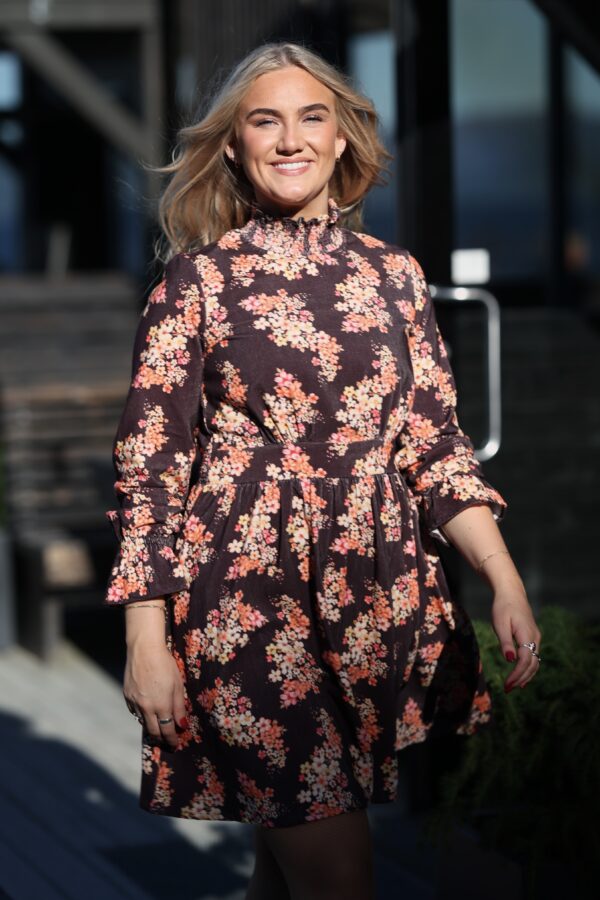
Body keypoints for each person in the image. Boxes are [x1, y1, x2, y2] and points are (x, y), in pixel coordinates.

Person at [103, 41, 542, 900]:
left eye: (312, 117)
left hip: (368, 602)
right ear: (235, 147)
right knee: (337, 873)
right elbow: (149, 468)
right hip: (243, 607)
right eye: (265, 121)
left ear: (343, 138)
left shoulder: (394, 276)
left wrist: (503, 578)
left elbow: (433, 445)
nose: (291, 138)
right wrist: (144, 639)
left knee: (290, 867)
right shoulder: (197, 282)